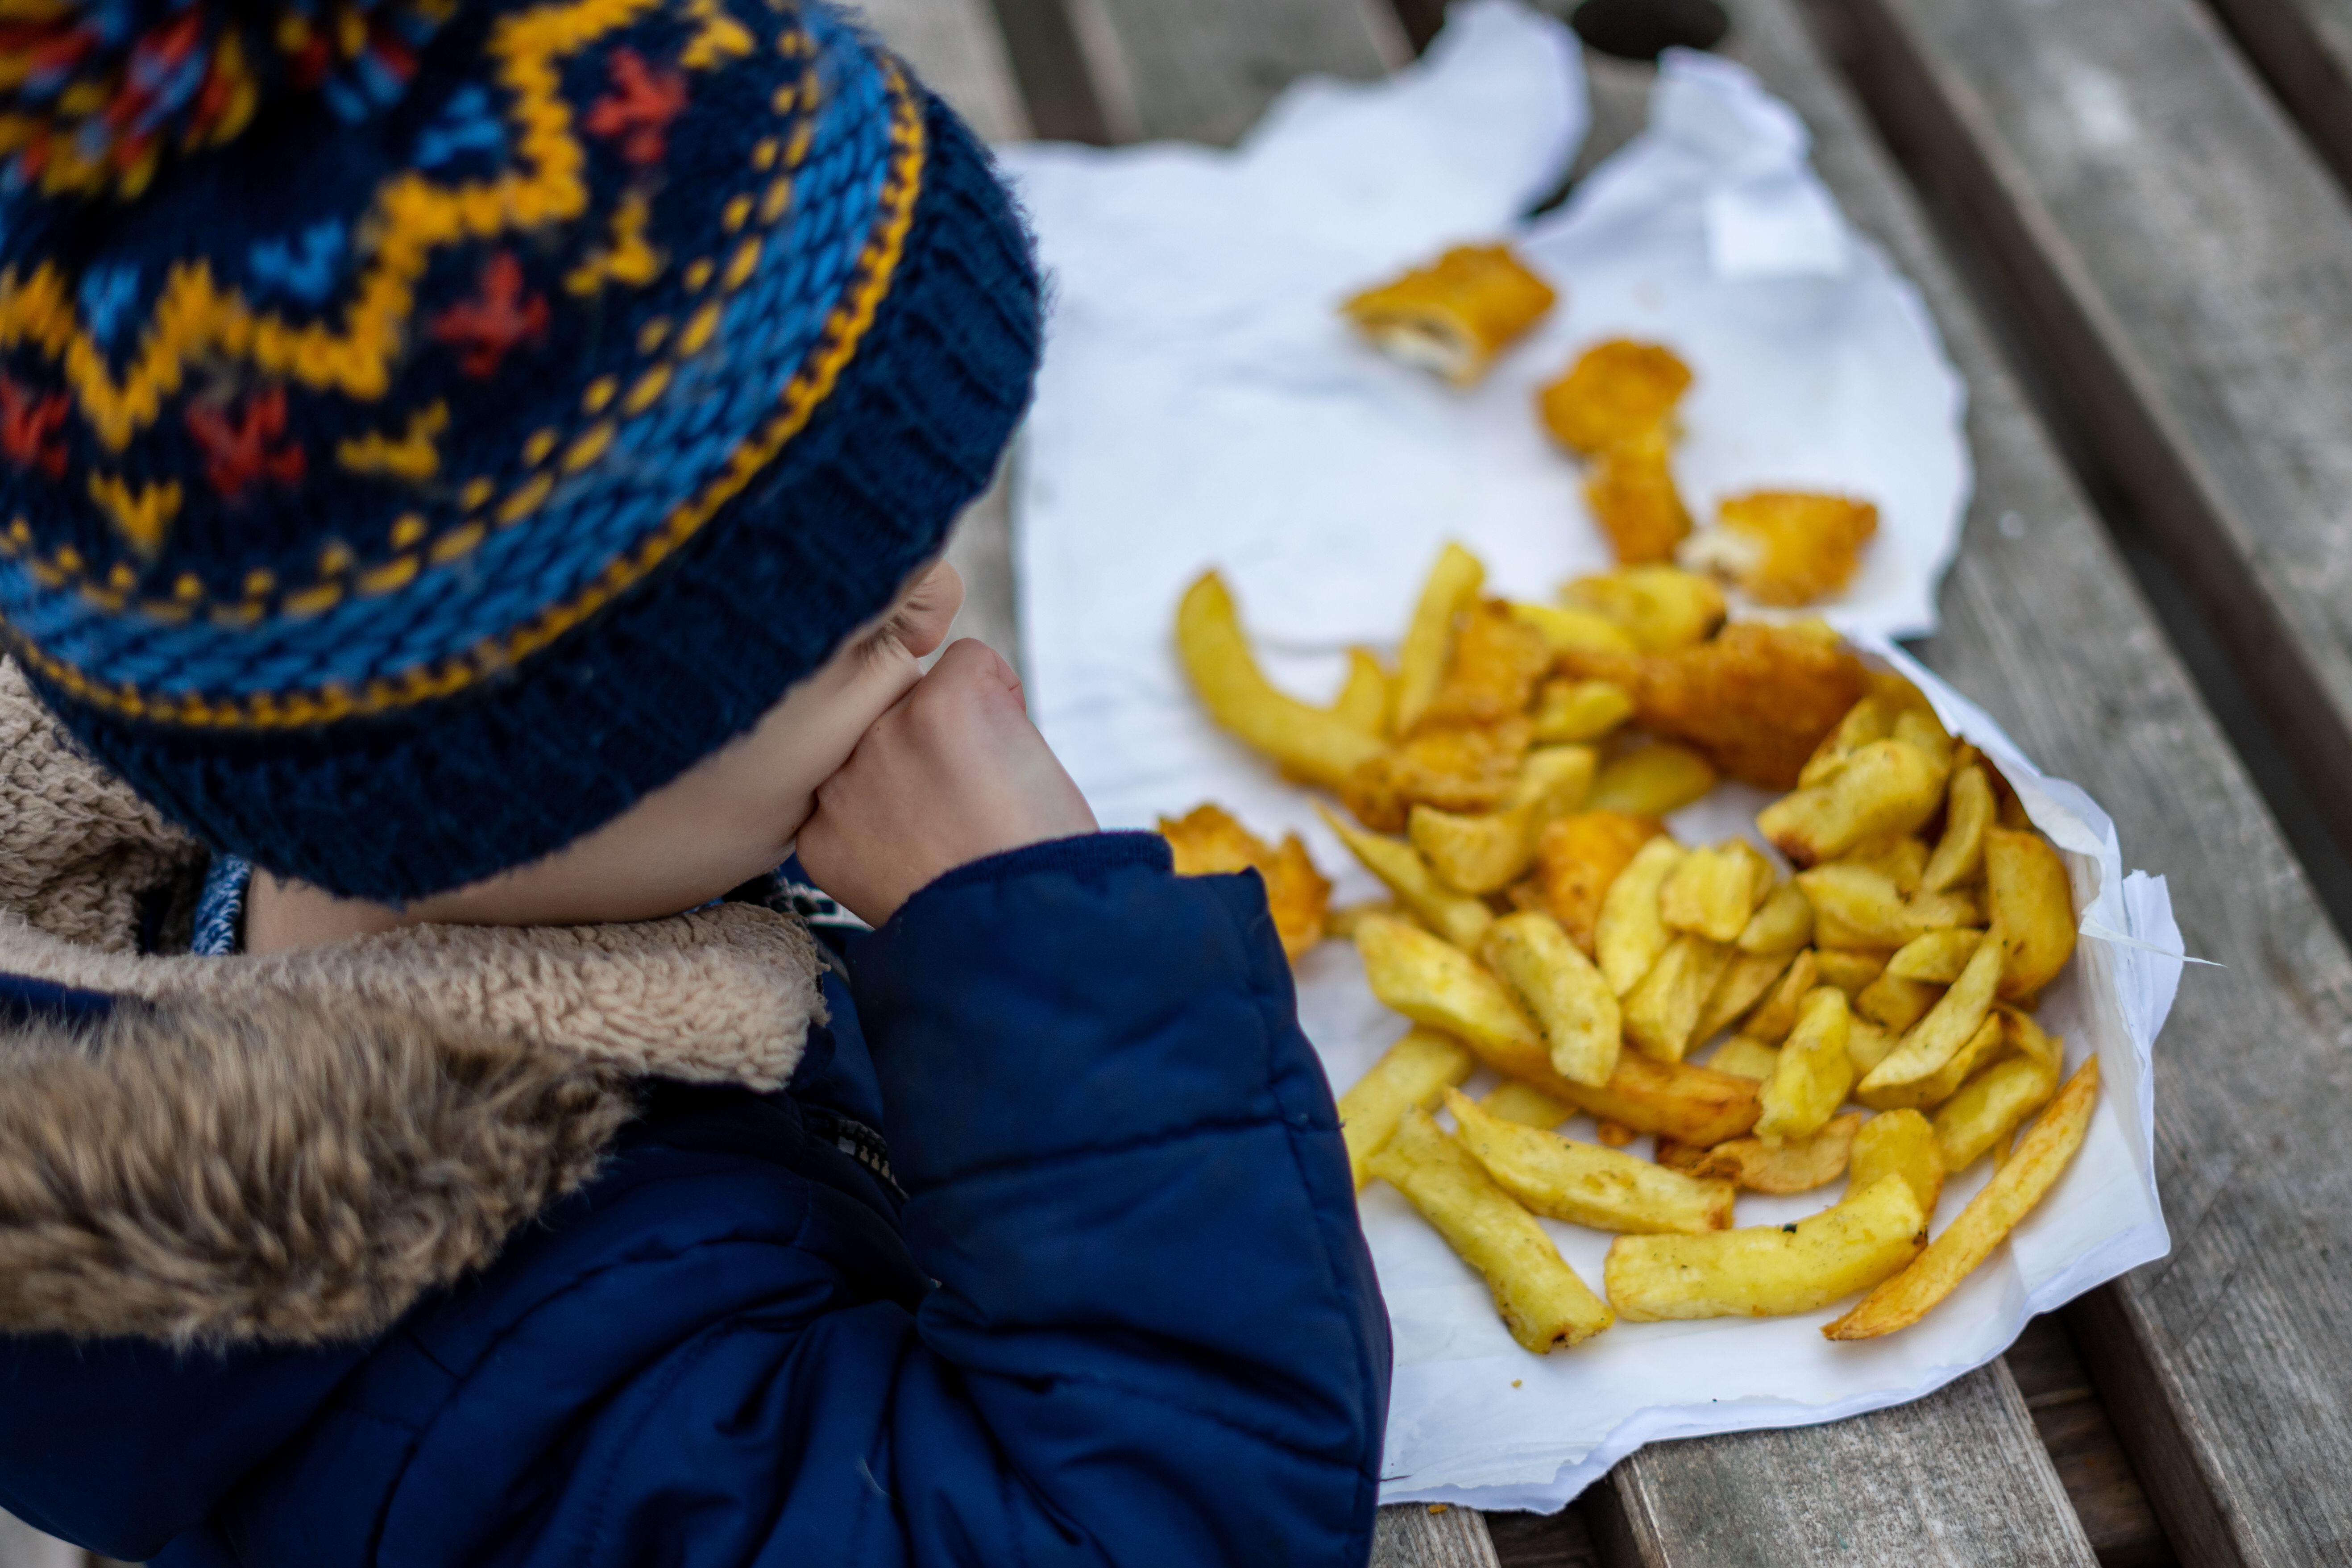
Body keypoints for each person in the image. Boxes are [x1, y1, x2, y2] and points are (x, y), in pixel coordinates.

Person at [0, 0, 1390, 1561]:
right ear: (529, 780)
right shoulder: (515, 1389)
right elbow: (1157, 1522)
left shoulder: (311, 828)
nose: (940, 610)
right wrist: (1035, 958)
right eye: (860, 616)